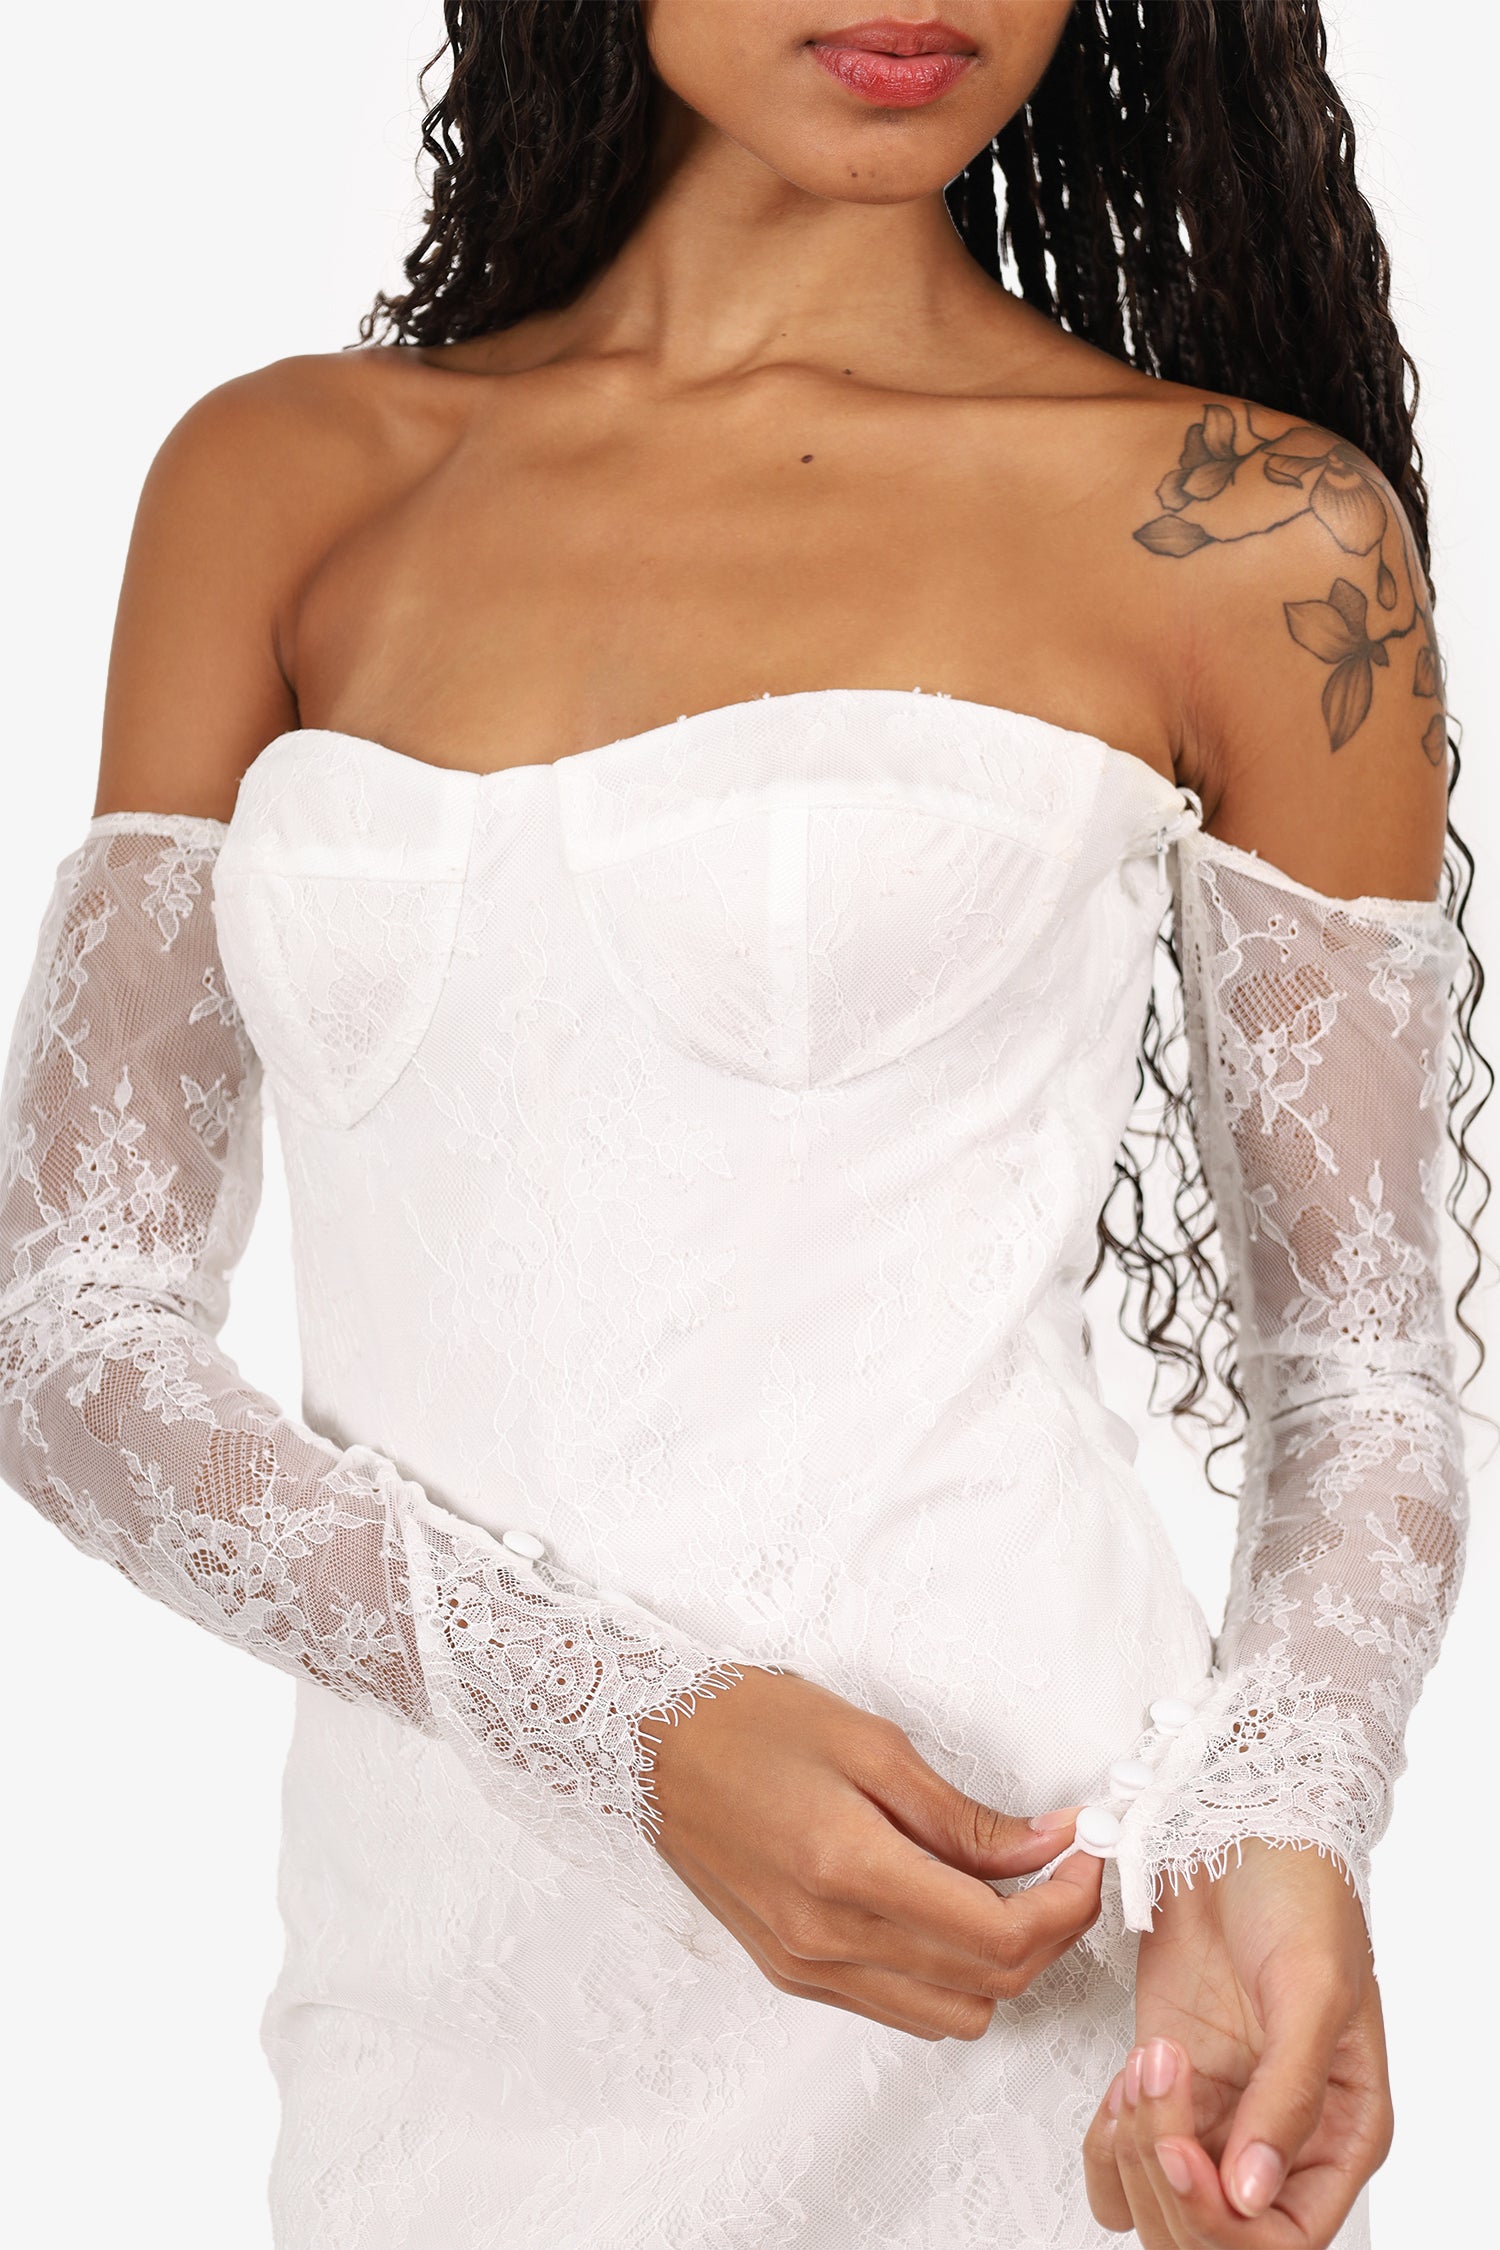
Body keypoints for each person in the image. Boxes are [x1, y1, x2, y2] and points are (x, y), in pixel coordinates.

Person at [0, 4, 1483, 2244]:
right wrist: (626, 1733)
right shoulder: (286, 481)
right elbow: (70, 1323)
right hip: (438, 2002)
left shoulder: (1258, 536)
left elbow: (1359, 1377)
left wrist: (1273, 1821)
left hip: (1016, 1950)